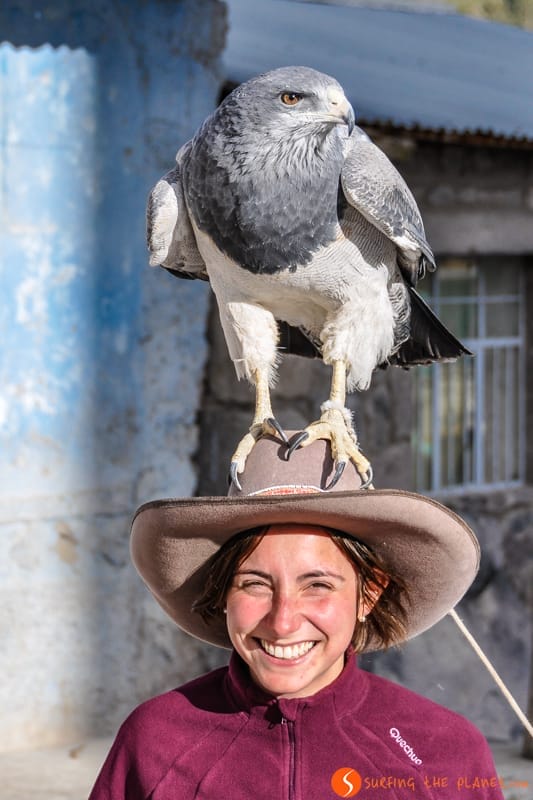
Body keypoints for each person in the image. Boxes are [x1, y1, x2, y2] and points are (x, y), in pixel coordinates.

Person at [89, 436, 504, 800]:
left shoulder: (444, 751)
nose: (283, 622)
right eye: (254, 584)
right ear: (222, 594)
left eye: (318, 586)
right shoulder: (155, 740)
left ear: (369, 594)